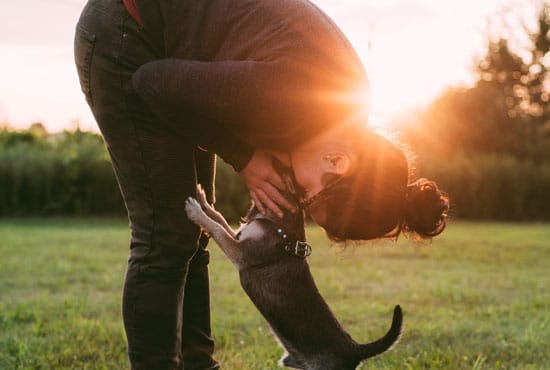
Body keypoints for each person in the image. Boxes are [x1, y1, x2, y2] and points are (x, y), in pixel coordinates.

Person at [74, 0, 449, 369]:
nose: (293, 200)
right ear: (337, 161)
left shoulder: (345, 111)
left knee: (191, 232)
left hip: (173, 56)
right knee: (165, 235)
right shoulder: (292, 94)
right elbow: (150, 82)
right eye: (305, 195)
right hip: (126, 35)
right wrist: (244, 155)